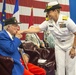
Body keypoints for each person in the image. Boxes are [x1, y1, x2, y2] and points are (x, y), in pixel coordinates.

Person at [18, 1, 76, 75]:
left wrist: (73, 48)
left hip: (70, 45)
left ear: (55, 11)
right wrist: (23, 31)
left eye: (49, 12)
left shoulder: (66, 20)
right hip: (59, 45)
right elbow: (37, 29)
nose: (47, 14)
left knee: (70, 67)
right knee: (59, 66)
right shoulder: (48, 22)